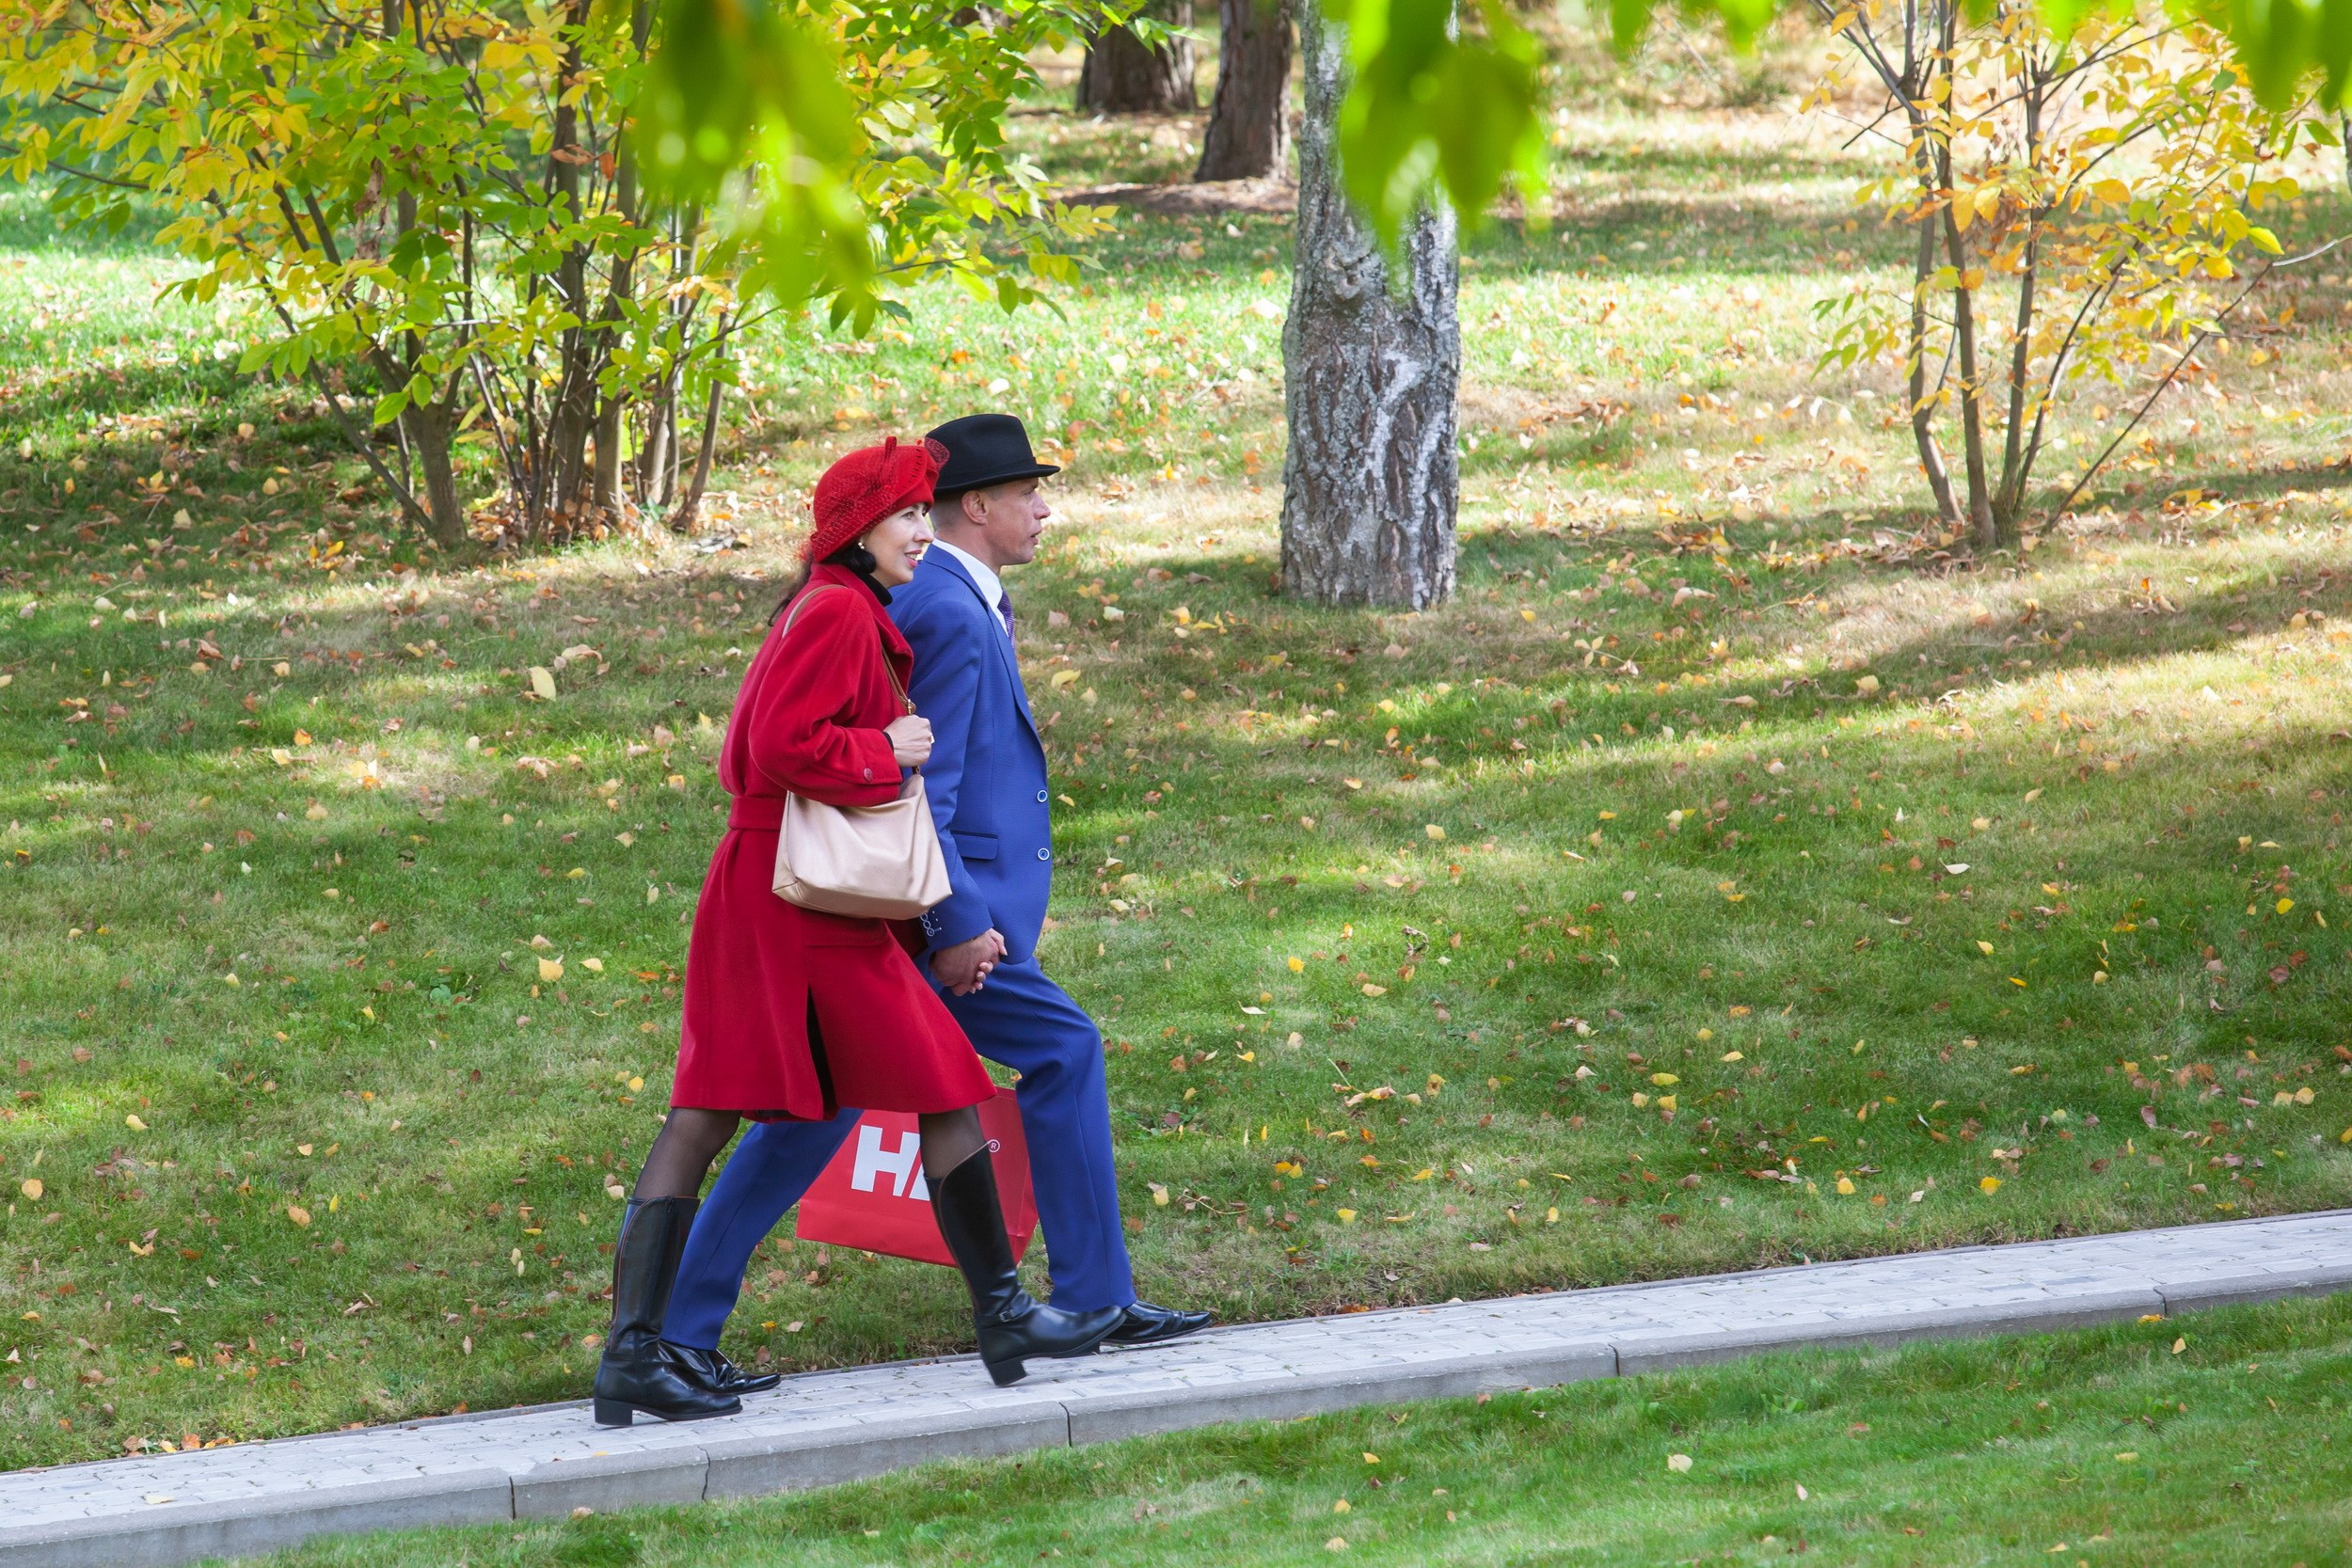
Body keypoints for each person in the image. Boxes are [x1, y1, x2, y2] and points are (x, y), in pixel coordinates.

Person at [662, 414, 1210, 1389]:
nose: (1044, 509)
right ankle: (1072, 1300)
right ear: (978, 505)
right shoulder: (941, 611)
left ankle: (679, 1327)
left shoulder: (928, 598)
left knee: (824, 1110)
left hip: (915, 907)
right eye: (1029, 492)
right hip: (933, 913)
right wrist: (958, 924)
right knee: (1036, 1052)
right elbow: (926, 788)